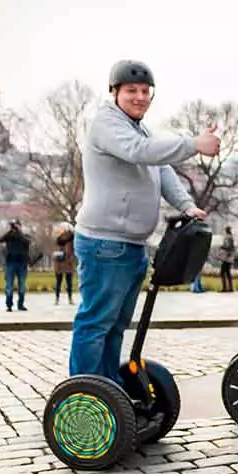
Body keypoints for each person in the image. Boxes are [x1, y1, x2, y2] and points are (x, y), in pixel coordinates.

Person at [70, 59, 220, 380]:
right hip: (105, 242)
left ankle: (108, 391)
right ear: (114, 92)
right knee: (96, 323)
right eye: (131, 91)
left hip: (130, 244)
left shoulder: (136, 126)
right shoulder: (107, 125)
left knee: (115, 328)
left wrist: (186, 205)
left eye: (145, 91)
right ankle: (83, 397)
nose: (139, 97)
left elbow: (161, 169)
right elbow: (141, 152)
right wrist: (194, 144)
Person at [0, 220, 32, 312]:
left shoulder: (24, 236)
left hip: (22, 263)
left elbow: (27, 242)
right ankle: (9, 305)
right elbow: (0, 239)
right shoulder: (9, 236)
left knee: (22, 286)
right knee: (9, 286)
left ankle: (20, 304)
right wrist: (10, 231)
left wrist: (19, 232)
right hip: (10, 263)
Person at [53, 223, 77, 305]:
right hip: (64, 262)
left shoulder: (59, 239)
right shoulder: (71, 239)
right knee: (67, 282)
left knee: (60, 281)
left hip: (63, 262)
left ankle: (58, 299)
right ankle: (67, 298)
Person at [217, 227, 235, 292]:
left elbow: (228, 247)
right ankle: (230, 288)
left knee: (222, 273)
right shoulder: (231, 237)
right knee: (228, 272)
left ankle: (224, 288)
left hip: (226, 257)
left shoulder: (227, 237)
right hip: (229, 257)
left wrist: (221, 246)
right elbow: (232, 247)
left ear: (225, 231)